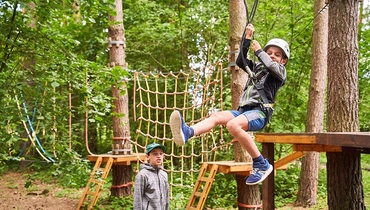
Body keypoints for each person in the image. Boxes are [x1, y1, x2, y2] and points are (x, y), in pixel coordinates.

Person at [169, 23, 290, 185]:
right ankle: (188, 132)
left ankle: (261, 163)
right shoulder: (257, 68)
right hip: (244, 112)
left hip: (260, 113)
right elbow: (241, 60)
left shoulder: (280, 73)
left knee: (233, 125)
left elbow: (270, 65)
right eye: (270, 53)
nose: (272, 56)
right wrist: (246, 39)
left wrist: (260, 51)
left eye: (277, 54)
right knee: (216, 116)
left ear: (284, 60)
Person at [133, 142, 169, 210]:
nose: (159, 156)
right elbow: (137, 200)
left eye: (161, 154)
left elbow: (166, 198)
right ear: (148, 157)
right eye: (155, 154)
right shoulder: (142, 175)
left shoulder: (164, 175)